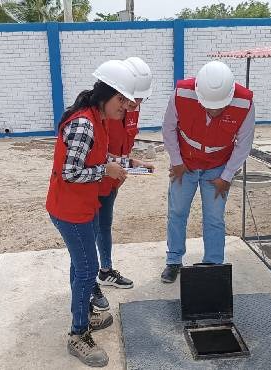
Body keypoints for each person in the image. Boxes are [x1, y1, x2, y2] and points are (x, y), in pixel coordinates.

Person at [46, 59, 136, 367]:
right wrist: (105, 170)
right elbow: (69, 172)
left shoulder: (98, 120)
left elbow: (96, 159)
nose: (125, 107)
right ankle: (77, 333)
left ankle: (82, 314)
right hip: (69, 209)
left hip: (80, 206)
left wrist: (122, 166)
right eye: (121, 100)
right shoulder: (84, 123)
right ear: (105, 95)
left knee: (80, 264)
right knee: (87, 270)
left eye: (127, 101)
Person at [160, 60, 256, 283]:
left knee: (214, 217)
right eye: (209, 106)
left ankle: (213, 265)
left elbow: (244, 144)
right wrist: (176, 161)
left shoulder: (245, 103)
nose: (214, 111)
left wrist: (227, 177)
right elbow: (168, 128)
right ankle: (173, 261)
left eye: (220, 106)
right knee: (177, 212)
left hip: (218, 167)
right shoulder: (182, 93)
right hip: (185, 164)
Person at [91, 57, 154, 311]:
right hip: (93, 180)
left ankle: (105, 271)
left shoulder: (131, 110)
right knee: (88, 234)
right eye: (131, 99)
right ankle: (89, 284)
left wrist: (133, 163)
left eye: (140, 100)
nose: (135, 105)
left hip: (113, 180)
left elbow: (122, 147)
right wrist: (115, 166)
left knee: (104, 226)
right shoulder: (102, 112)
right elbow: (94, 153)